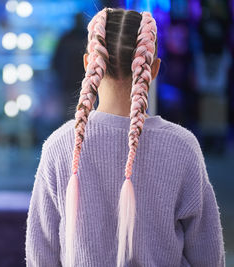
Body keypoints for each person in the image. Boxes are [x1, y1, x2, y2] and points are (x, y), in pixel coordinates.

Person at [25, 7, 225, 267]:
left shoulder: (60, 146)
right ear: (153, 69)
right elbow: (208, 258)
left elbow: (41, 257)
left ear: (89, 64)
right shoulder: (182, 147)